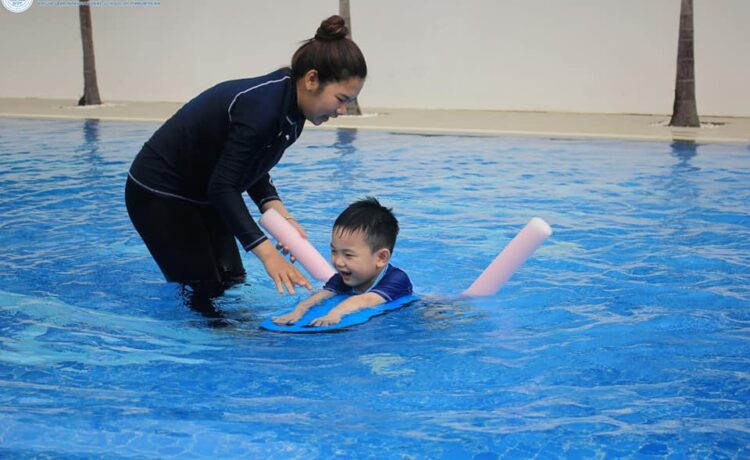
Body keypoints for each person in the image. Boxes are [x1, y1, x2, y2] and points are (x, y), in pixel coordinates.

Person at [125, 16, 366, 299]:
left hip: (203, 190)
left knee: (232, 279)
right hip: (159, 193)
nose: (342, 111)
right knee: (204, 289)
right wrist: (267, 255)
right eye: (341, 99)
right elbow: (223, 187)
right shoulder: (262, 108)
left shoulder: (294, 111)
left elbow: (253, 168)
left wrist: (283, 218)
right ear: (312, 79)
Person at [272, 197, 413, 327]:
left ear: (381, 258)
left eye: (348, 255)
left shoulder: (397, 280)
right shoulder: (343, 277)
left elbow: (364, 300)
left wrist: (334, 314)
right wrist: (298, 311)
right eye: (334, 251)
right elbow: (320, 296)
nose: (338, 262)